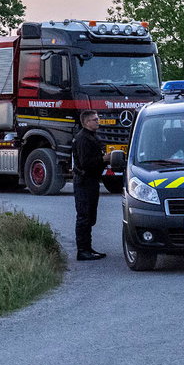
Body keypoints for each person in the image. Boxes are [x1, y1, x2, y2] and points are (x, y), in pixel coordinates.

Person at [71, 110, 110, 261]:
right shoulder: (83, 139)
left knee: (90, 216)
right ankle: (82, 251)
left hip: (91, 181)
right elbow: (86, 163)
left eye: (97, 118)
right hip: (84, 181)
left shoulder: (91, 137)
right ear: (86, 122)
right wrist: (104, 159)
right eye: (94, 119)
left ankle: (88, 248)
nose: (98, 121)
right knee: (84, 216)